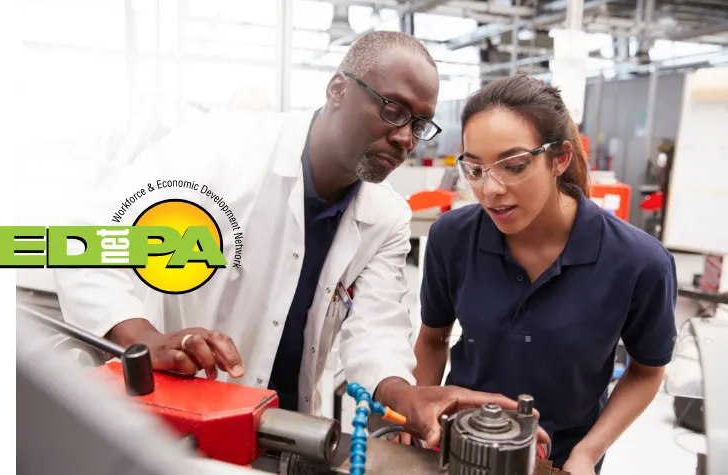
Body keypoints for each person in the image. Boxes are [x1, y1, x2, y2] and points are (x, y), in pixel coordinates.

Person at [54, 31, 523, 448]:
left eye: (419, 124)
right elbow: (84, 241)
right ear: (338, 90)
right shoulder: (215, 156)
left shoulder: (386, 217)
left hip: (288, 431)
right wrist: (145, 340)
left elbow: (376, 328)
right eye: (393, 109)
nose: (405, 138)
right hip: (181, 421)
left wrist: (405, 395)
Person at [413, 74, 678, 474]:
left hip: (564, 457)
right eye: (475, 170)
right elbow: (432, 340)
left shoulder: (639, 262)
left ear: (561, 158)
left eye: (514, 165)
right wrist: (422, 414)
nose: (491, 190)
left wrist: (587, 454)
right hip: (458, 447)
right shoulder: (452, 238)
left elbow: (646, 370)